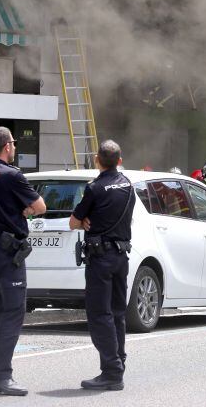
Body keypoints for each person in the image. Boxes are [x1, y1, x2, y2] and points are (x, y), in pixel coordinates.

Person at [0, 126, 46, 396]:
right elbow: (40, 207)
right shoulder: (12, 175)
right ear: (6, 146)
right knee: (13, 311)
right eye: (13, 143)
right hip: (6, 251)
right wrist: (24, 212)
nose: (14, 147)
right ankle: (1, 377)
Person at [69, 140, 136, 391]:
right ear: (119, 161)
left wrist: (86, 220)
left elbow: (73, 223)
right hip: (121, 257)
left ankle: (111, 371)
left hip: (101, 259)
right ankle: (119, 363)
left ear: (97, 160)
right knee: (117, 312)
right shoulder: (128, 185)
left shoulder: (94, 188)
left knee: (99, 314)